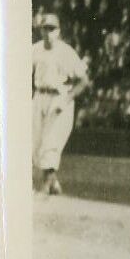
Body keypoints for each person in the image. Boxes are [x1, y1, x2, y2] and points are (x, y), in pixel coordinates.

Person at [30, 12, 90, 195]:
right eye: (45, 29)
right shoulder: (35, 49)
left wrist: (67, 98)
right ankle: (53, 183)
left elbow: (83, 81)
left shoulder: (66, 52)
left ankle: (47, 184)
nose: (48, 33)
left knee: (51, 140)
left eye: (52, 29)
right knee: (34, 141)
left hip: (59, 97)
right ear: (40, 31)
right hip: (39, 95)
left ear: (59, 31)